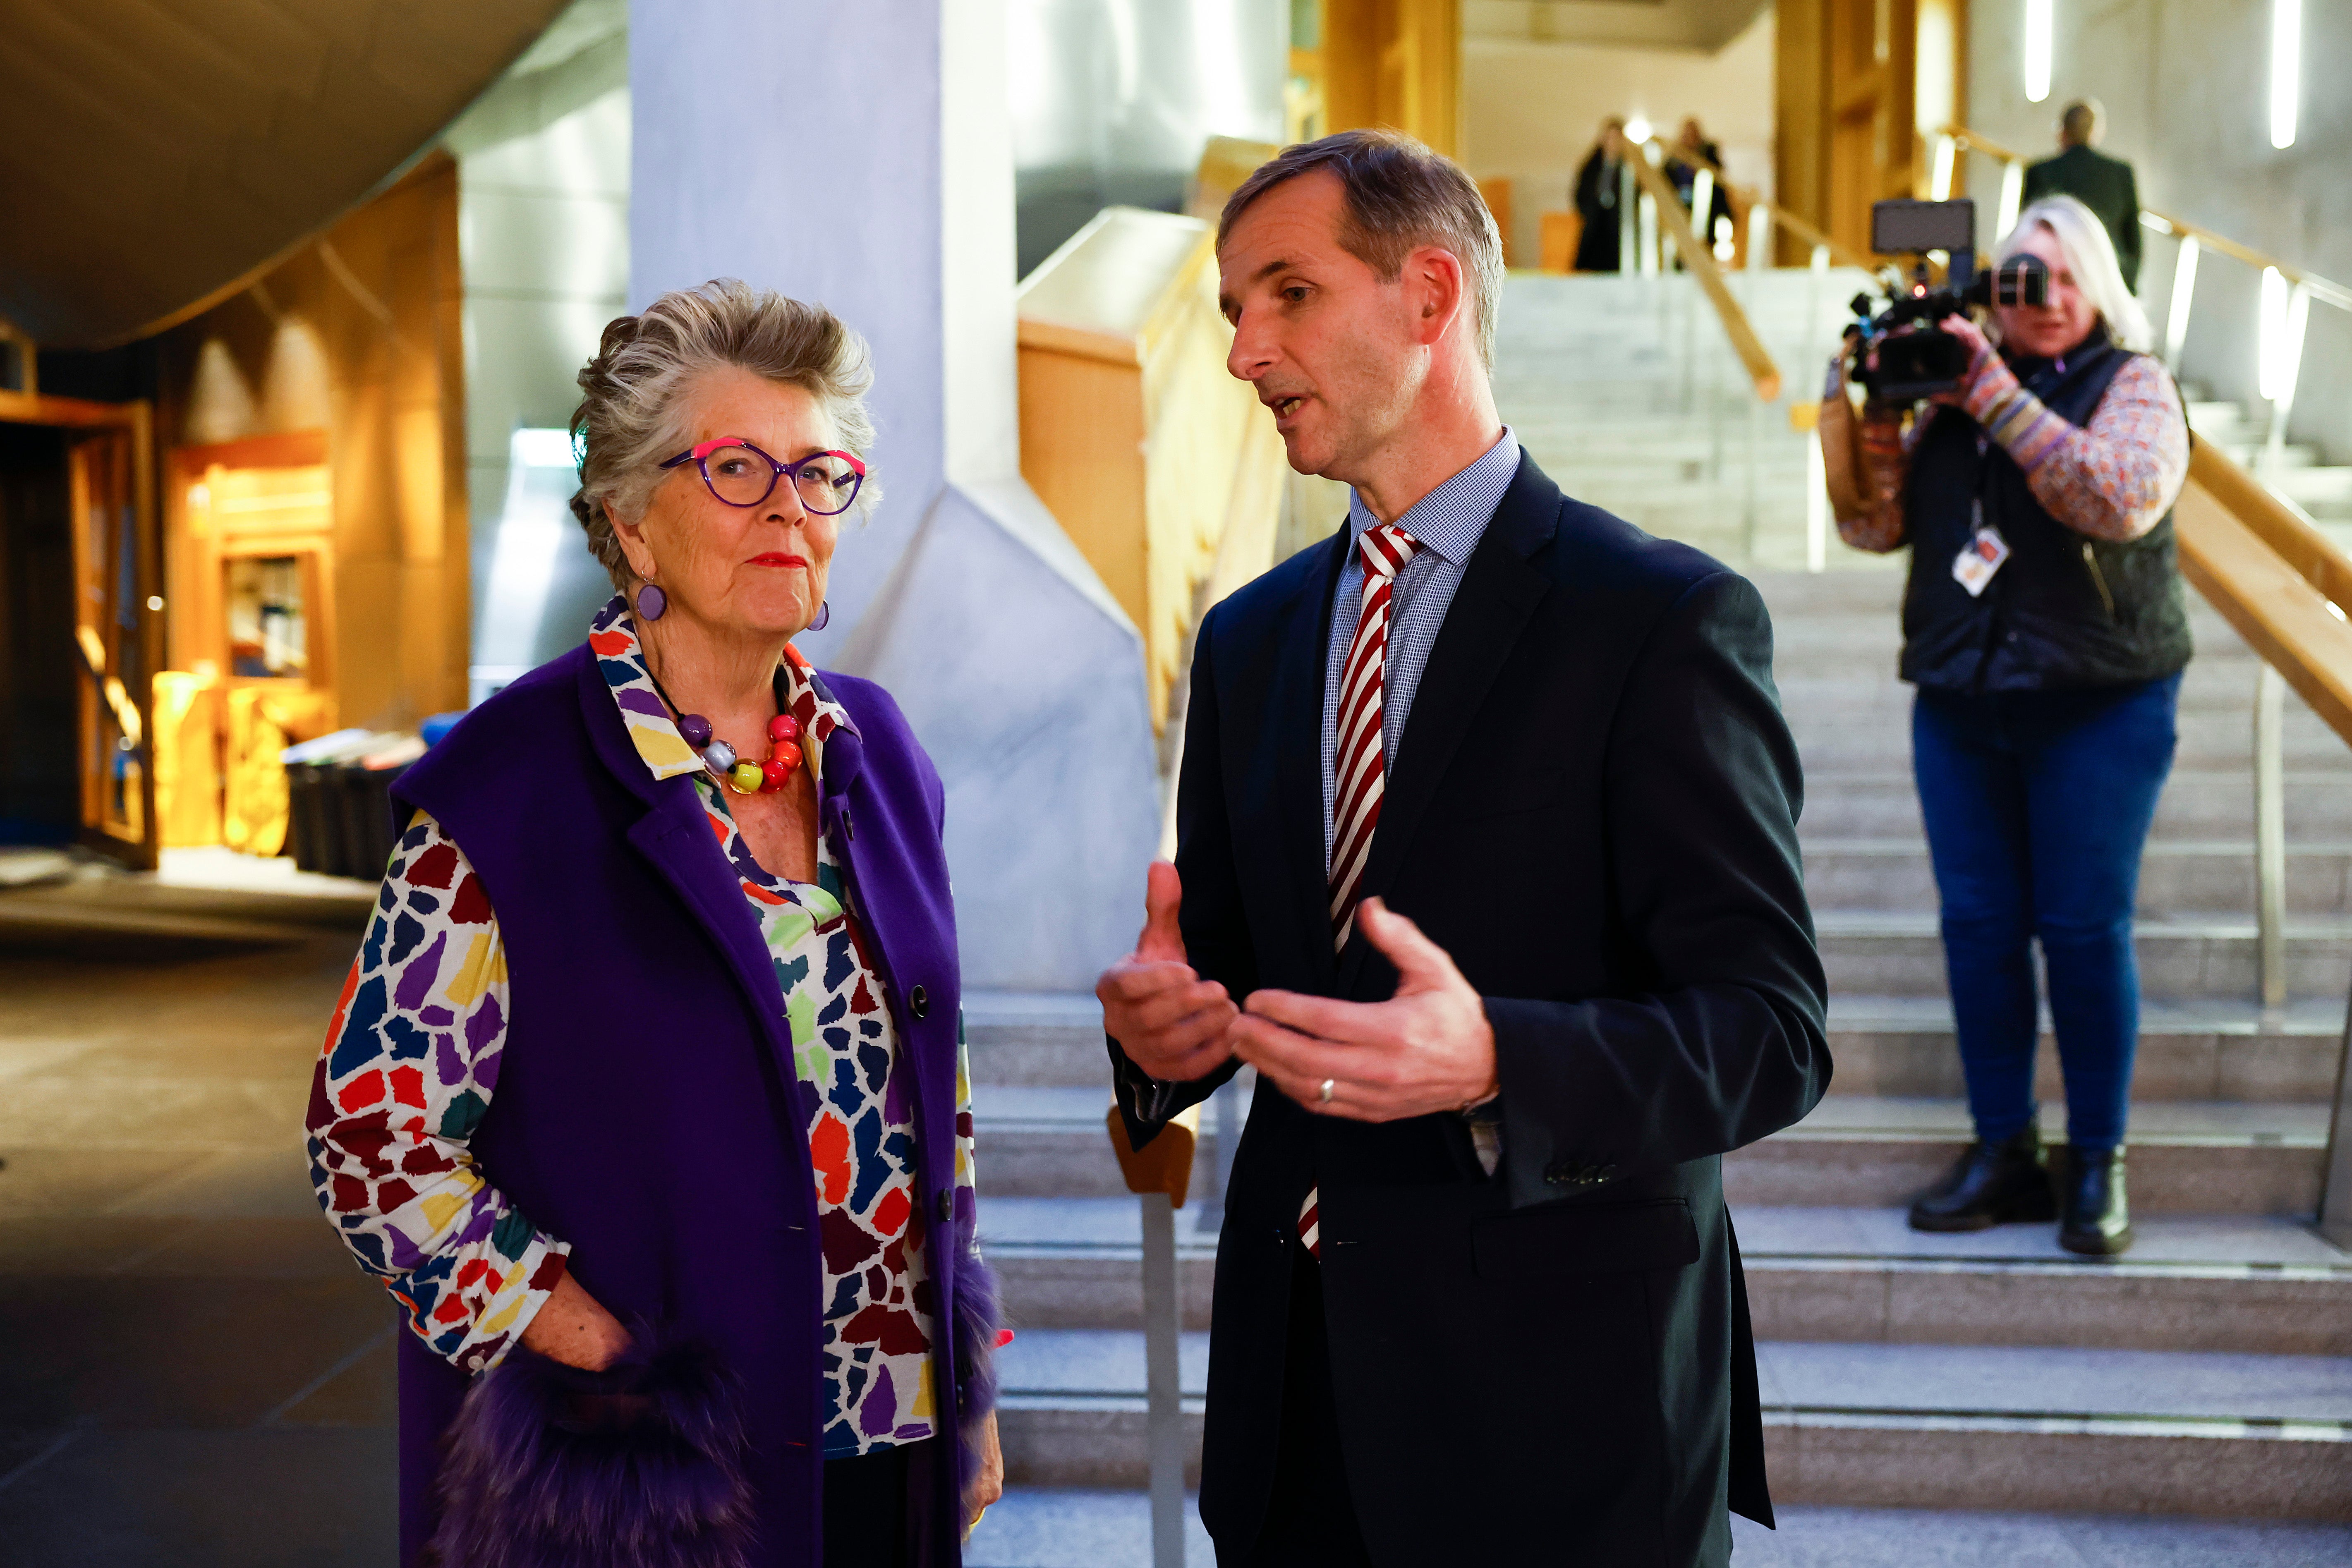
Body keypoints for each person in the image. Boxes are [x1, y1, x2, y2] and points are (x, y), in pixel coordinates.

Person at [1097, 129, 1830, 1567]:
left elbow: (1769, 1031)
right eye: (1231, 310)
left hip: (1562, 1427)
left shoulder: (1660, 621)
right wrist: (1166, 1037)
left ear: (1427, 297)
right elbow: (1239, 981)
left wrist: (1499, 1057)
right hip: (1293, 1413)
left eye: (1285, 294)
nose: (1243, 351)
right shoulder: (1244, 643)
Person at [306, 280, 1003, 1567]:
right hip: (646, 1482)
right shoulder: (507, 788)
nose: (790, 503)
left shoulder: (879, 752)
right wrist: (603, 1354)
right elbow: (372, 1143)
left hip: (880, 1445)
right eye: (737, 469)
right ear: (628, 519)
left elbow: (932, 1094)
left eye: (819, 471)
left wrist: (961, 1375)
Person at [1825, 196, 2192, 1255]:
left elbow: (2116, 496)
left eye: (2064, 276)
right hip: (1960, 696)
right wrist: (1863, 405)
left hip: (2099, 700)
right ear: (1991, 284)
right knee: (1979, 931)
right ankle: (2004, 1150)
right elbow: (1871, 522)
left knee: (2080, 931)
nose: (2043, 297)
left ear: (2099, 288)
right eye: (2023, 275)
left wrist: (1987, 391)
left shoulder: (2134, 385)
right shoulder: (1945, 387)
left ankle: (2097, 1160)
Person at [2023, 100, 2143, 292]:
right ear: (2097, 132)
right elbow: (2133, 243)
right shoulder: (2120, 173)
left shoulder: (2040, 172)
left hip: (2053, 286)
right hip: (2108, 285)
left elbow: (2028, 236)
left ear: (2062, 132)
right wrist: (2126, 290)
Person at [1571, 116, 1629, 271]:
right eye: (1610, 138)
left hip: (1617, 229)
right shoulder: (1591, 166)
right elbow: (1581, 194)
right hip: (1595, 225)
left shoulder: (1628, 168)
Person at [1669, 115, 1733, 255]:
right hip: (1681, 213)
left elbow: (1720, 180)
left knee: (1704, 250)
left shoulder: (1709, 156)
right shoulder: (1672, 162)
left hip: (1707, 215)